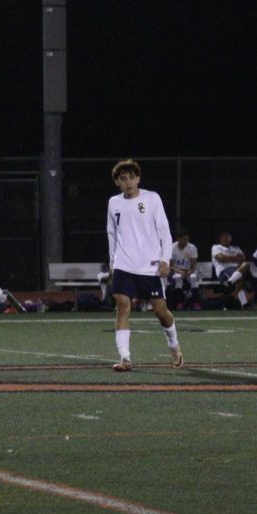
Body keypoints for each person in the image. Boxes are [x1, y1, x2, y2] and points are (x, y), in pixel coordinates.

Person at [106, 159, 183, 371]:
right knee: (122, 306)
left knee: (161, 312)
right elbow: (111, 233)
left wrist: (165, 260)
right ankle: (125, 358)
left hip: (149, 266)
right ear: (117, 182)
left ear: (138, 179)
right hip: (123, 264)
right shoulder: (114, 203)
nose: (128, 182)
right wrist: (113, 262)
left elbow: (164, 232)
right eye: (123, 179)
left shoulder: (152, 198)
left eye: (132, 177)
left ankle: (174, 345)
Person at [211, 230, 254, 310]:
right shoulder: (216, 247)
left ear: (230, 238)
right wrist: (235, 258)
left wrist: (227, 257)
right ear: (220, 238)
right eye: (224, 236)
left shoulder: (236, 248)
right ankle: (244, 303)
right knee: (239, 277)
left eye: (228, 236)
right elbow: (221, 259)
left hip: (236, 270)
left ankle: (230, 282)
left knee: (246, 264)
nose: (226, 238)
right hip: (224, 270)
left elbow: (242, 258)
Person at [168, 229, 202, 310]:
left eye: (187, 239)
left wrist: (189, 272)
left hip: (189, 271)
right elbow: (171, 265)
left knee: (193, 278)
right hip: (176, 271)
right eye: (184, 239)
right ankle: (179, 303)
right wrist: (180, 271)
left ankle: (196, 303)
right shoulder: (172, 248)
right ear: (179, 239)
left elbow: (194, 265)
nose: (186, 241)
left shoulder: (192, 248)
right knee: (178, 278)